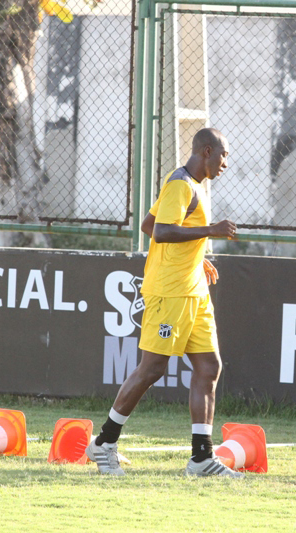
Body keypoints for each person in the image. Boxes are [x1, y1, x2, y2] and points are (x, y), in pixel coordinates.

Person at [86, 128, 241, 477]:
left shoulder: (192, 186)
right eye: (223, 155)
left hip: (194, 293)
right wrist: (209, 232)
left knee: (209, 367)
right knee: (152, 369)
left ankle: (201, 458)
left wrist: (196, 254)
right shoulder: (180, 185)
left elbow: (149, 223)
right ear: (206, 151)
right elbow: (160, 232)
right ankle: (104, 443)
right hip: (169, 293)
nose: (226, 163)